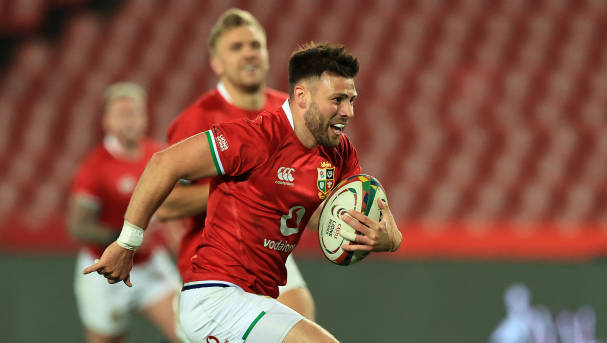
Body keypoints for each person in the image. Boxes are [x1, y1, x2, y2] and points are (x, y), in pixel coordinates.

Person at [84, 43, 403, 343]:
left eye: (352, 100)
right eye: (337, 100)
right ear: (302, 96)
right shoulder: (256, 138)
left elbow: (339, 217)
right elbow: (165, 162)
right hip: (216, 298)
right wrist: (128, 241)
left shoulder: (339, 152)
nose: (348, 111)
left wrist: (388, 240)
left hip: (258, 299)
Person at [154, 8, 315, 320]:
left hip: (269, 250)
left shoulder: (291, 112)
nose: (248, 54)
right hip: (213, 257)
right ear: (217, 63)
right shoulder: (196, 120)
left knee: (302, 316)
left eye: (255, 45)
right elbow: (166, 205)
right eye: (236, 47)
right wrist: (248, 186)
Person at [68, 82, 181, 343]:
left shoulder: (158, 155)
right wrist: (128, 237)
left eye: (135, 112)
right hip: (105, 269)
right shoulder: (95, 167)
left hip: (149, 265)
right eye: (122, 114)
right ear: (107, 121)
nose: (130, 120)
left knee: (188, 331)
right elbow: (78, 225)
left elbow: (175, 204)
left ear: (145, 117)